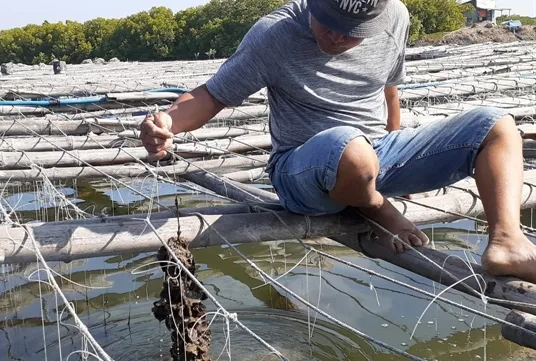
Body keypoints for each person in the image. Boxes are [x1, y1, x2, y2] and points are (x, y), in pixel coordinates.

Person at [139, 0, 536, 283]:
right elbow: (213, 94)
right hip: (301, 171)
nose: (335, 37)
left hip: (372, 158)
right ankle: (375, 207)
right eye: (327, 22)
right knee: (351, 149)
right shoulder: (275, 34)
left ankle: (506, 242)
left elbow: (389, 90)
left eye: (351, 33)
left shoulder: (395, 16)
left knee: (496, 125)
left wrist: (398, 145)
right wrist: (167, 121)